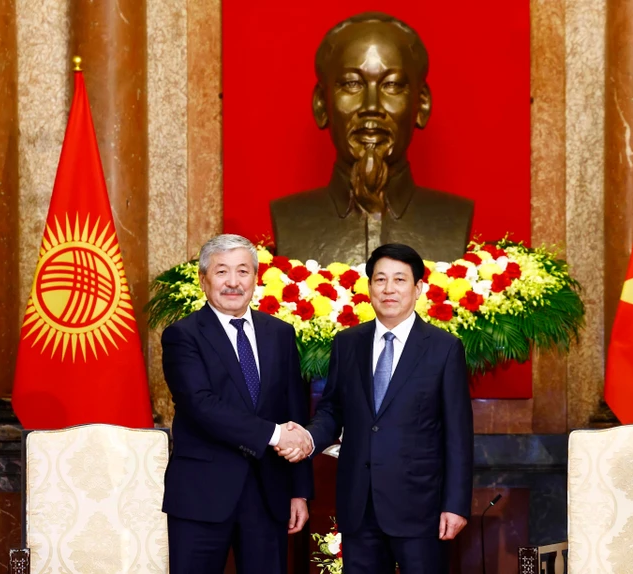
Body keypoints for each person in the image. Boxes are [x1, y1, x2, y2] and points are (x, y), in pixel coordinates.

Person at [279, 243, 474, 573]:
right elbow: (332, 410)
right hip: (359, 505)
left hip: (421, 507)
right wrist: (308, 439)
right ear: (369, 287)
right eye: (380, 279)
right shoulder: (347, 342)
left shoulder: (443, 348)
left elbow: (458, 434)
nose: (389, 288)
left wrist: (456, 505)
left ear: (418, 288)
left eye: (399, 279)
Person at [161, 234, 314, 574]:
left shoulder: (280, 333)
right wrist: (275, 435)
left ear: (255, 278)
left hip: (268, 495)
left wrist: (299, 491)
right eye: (222, 272)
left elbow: (294, 412)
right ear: (204, 279)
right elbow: (201, 405)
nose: (233, 282)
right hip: (202, 495)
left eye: (243, 271)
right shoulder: (183, 335)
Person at [270, 12, 473, 265]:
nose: (371, 106)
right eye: (352, 84)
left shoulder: (454, 217)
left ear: (421, 105)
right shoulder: (289, 218)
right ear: (321, 105)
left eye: (392, 85)